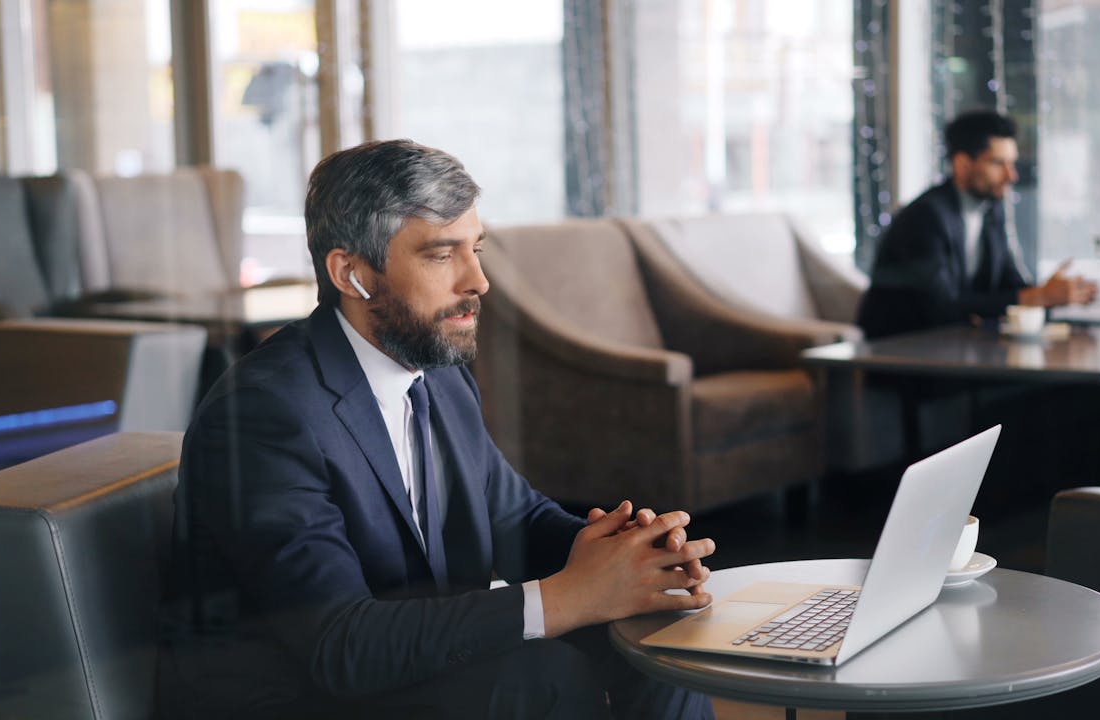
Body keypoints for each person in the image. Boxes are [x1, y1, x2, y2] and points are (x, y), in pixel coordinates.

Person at [160, 139, 717, 719]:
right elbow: (338, 645)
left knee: (652, 638)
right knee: (541, 676)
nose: (478, 281)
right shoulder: (264, 413)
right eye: (441, 255)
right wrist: (570, 596)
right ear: (351, 273)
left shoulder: (436, 375)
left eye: (475, 249)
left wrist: (627, 558)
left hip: (407, 672)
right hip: (301, 695)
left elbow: (516, 518)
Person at [857, 110, 1097, 338]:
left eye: (1012, 163)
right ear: (963, 164)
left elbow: (1008, 283)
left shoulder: (990, 211)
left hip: (953, 348)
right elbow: (941, 307)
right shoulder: (925, 217)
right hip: (901, 353)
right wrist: (1037, 297)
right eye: (998, 163)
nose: (1011, 176)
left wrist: (1051, 294)